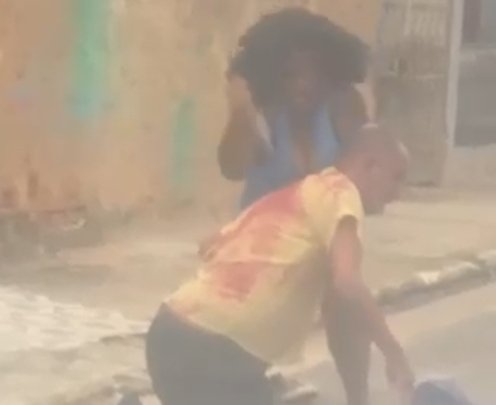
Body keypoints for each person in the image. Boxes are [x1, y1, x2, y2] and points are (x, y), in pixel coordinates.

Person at [146, 126, 414, 405]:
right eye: (397, 178)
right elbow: (348, 282)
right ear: (370, 165)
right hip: (212, 349)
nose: (398, 193)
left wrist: (358, 400)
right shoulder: (341, 193)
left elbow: (342, 320)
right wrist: (394, 354)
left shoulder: (303, 198)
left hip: (172, 335)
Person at [219, 8, 370, 209]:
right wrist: (240, 109)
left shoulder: (343, 107)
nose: (302, 84)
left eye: (312, 71)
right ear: (272, 77)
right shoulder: (266, 117)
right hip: (263, 226)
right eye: (289, 74)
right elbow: (232, 170)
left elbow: (368, 175)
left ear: (329, 71)